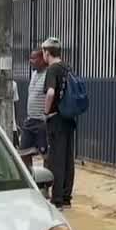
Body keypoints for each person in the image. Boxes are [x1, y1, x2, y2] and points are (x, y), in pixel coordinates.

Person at [41, 37, 75, 208]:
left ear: (47, 52)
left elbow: (50, 93)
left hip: (56, 118)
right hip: (69, 118)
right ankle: (67, 197)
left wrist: (46, 112)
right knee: (68, 158)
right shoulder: (67, 68)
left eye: (43, 52)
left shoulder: (52, 70)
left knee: (56, 159)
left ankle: (57, 199)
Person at [20, 50, 49, 166]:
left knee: (46, 154)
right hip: (30, 120)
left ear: (42, 59)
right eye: (30, 58)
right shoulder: (34, 74)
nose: (30, 61)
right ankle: (30, 176)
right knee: (24, 152)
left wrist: (45, 118)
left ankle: (48, 180)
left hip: (42, 122)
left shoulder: (48, 74)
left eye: (34, 58)